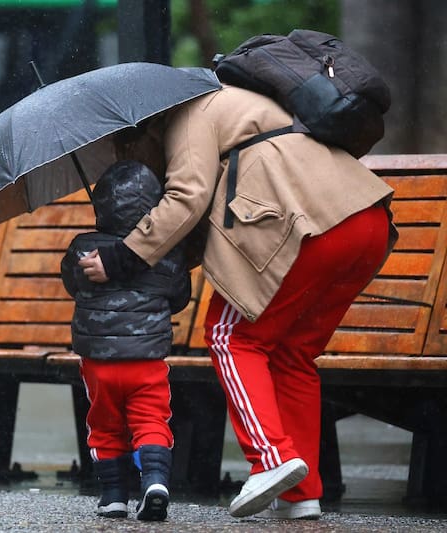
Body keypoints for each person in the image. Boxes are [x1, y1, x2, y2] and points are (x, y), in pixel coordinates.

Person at [78, 84, 397, 521]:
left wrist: (121, 257)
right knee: (291, 354)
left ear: (141, 131)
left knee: (230, 335)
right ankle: (300, 494)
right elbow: (197, 223)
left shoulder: (188, 116)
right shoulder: (233, 107)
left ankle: (271, 459)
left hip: (306, 229)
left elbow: (186, 199)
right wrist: (154, 267)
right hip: (363, 221)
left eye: (127, 149)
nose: (133, 164)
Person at [60, 159, 191, 521]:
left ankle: (113, 496)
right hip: (146, 360)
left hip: (98, 363)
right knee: (151, 421)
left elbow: (72, 284)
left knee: (104, 425)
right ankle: (154, 481)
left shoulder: (81, 249)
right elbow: (179, 297)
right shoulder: (165, 250)